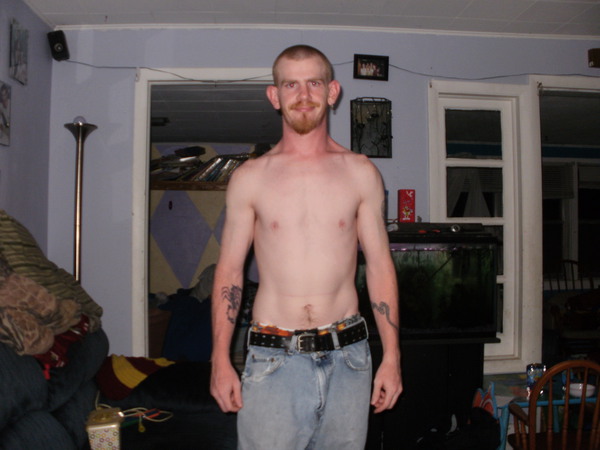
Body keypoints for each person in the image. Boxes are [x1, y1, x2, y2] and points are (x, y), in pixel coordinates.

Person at [210, 44, 403, 449]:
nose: (303, 95)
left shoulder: (361, 172)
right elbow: (229, 272)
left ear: (332, 91)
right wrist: (220, 358)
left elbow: (380, 266)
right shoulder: (250, 178)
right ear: (274, 95)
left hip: (350, 358)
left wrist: (392, 356)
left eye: (314, 83)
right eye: (290, 85)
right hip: (274, 357)